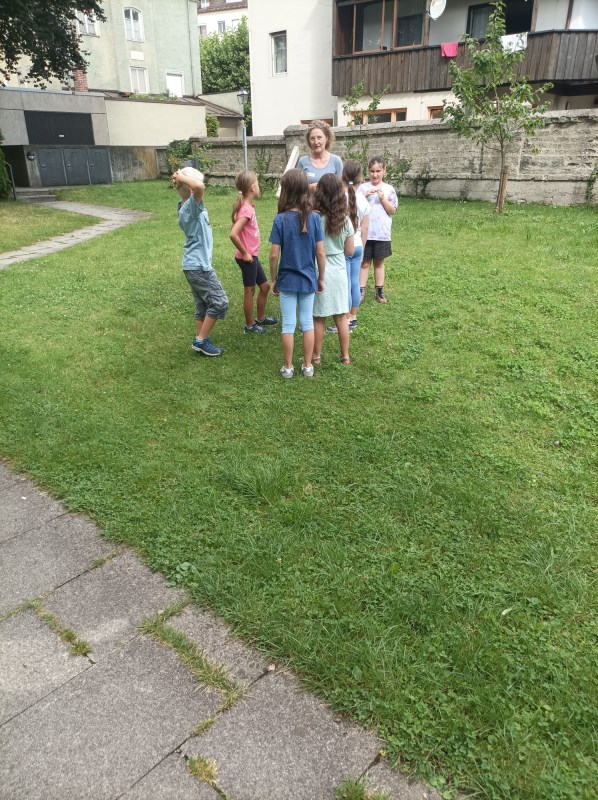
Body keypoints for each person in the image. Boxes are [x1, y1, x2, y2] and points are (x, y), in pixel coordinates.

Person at [268, 169, 326, 379]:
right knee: (307, 322)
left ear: (285, 191)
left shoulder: (280, 220)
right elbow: (320, 252)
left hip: (287, 281)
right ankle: (308, 366)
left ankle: (288, 367)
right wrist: (320, 278)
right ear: (304, 190)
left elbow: (273, 255)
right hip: (308, 279)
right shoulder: (315, 219)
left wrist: (274, 279)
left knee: (288, 324)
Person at [173, 166, 228, 357]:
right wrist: (181, 177)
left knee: (202, 305)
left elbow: (196, 188)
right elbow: (200, 187)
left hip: (192, 265)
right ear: (191, 190)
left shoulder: (184, 205)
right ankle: (200, 340)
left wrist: (180, 180)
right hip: (198, 266)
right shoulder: (190, 207)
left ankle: (201, 340)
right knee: (220, 302)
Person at [312, 173, 355, 366]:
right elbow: (350, 251)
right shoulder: (345, 220)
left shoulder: (314, 219)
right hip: (338, 271)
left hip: (318, 269)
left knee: (318, 317)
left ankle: (316, 356)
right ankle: (345, 356)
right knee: (341, 316)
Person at [229, 170, 279, 334]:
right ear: (252, 187)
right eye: (257, 184)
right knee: (249, 291)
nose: (259, 187)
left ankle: (261, 318)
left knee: (265, 287)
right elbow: (233, 234)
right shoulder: (246, 210)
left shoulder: (246, 206)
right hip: (247, 259)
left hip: (252, 256)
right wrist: (245, 253)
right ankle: (250, 325)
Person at [359, 155, 398, 304]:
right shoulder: (363, 188)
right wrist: (364, 196)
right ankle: (360, 290)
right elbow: (354, 207)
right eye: (372, 171)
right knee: (364, 263)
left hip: (382, 234)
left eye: (378, 171)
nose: (375, 174)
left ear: (384, 170)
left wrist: (383, 199)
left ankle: (379, 291)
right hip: (365, 233)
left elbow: (392, 210)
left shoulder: (389, 189)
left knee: (379, 263)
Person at [342, 160, 369, 331]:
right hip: (358, 245)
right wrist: (363, 248)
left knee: (344, 283)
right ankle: (353, 316)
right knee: (354, 281)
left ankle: (345, 319)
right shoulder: (363, 200)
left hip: (344, 247)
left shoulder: (339, 199)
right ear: (360, 179)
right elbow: (365, 228)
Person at [297, 120, 343, 191]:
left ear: (327, 138)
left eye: (319, 138)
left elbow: (341, 187)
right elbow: (297, 188)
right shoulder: (303, 161)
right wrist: (310, 188)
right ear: (309, 141)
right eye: (312, 138)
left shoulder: (336, 161)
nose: (316, 142)